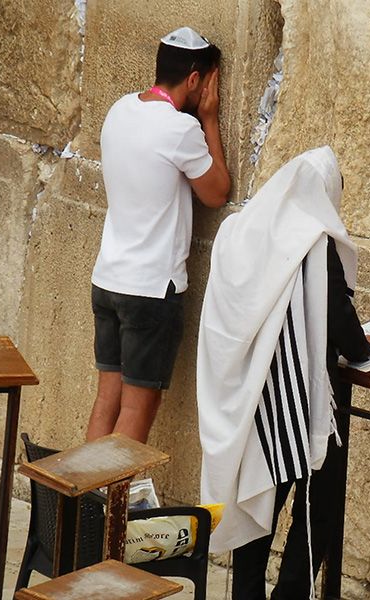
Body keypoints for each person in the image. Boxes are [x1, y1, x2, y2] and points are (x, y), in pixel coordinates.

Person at [196, 147, 370, 599]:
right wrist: (362, 347)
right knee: (322, 501)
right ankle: (293, 592)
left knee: (259, 496)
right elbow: (337, 314)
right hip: (303, 398)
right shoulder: (314, 241)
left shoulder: (241, 229)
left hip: (249, 396)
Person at [87, 27, 231, 443]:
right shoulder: (179, 130)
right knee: (135, 414)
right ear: (194, 79)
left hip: (108, 279)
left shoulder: (119, 110)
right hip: (150, 291)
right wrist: (208, 118)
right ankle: (113, 508)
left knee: (106, 403)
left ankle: (83, 508)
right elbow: (217, 192)